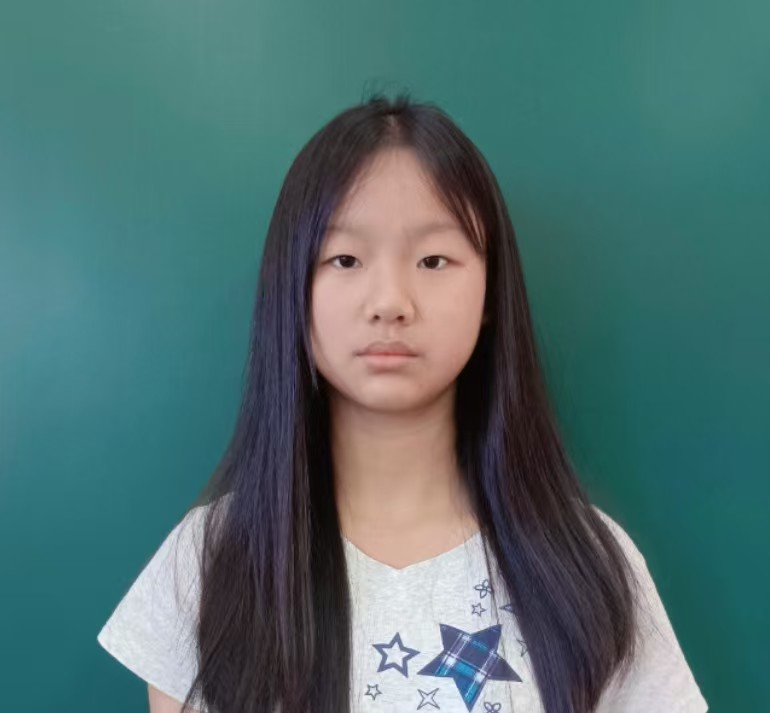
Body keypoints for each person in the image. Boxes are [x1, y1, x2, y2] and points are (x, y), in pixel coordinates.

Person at [96, 93, 709, 713]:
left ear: (491, 292)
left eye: (433, 260)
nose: (390, 301)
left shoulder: (586, 562)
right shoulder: (212, 560)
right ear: (293, 290)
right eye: (344, 259)